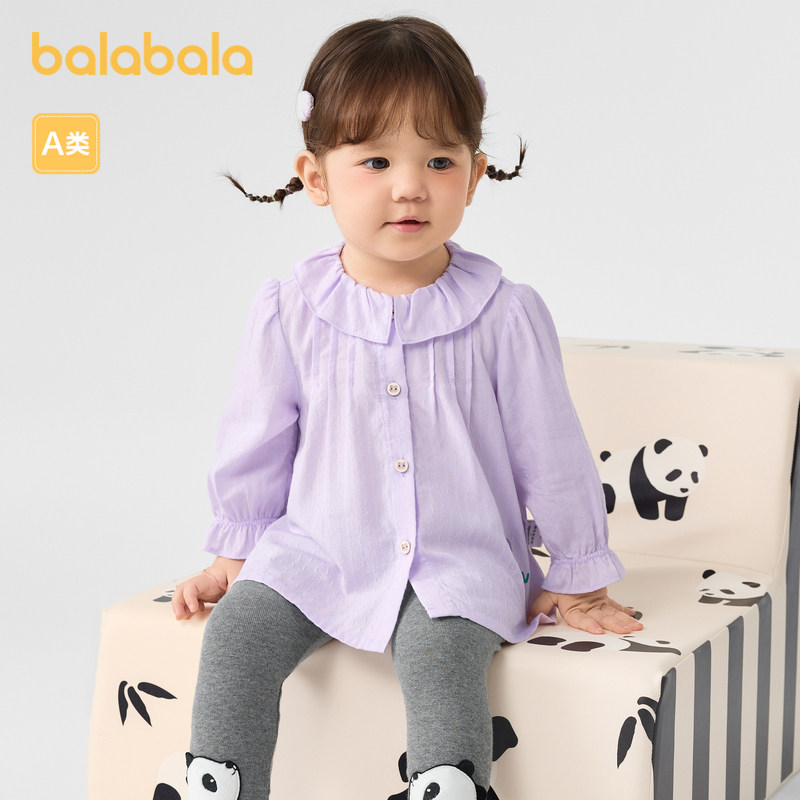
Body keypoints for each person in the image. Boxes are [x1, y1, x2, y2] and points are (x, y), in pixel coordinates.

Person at [172, 15, 642, 800]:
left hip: (458, 562)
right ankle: (220, 786)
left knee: (439, 658)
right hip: (317, 550)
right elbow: (257, 438)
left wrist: (576, 569)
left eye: (439, 160)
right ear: (317, 177)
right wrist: (239, 547)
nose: (410, 185)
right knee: (237, 638)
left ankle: (449, 785)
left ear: (475, 175)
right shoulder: (290, 309)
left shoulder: (504, 314)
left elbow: (551, 454)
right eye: (376, 160)